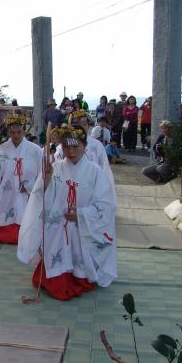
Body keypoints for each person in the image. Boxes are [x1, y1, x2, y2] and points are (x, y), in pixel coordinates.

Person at [17, 124, 117, 301]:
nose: (71, 151)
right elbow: (42, 198)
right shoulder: (55, 168)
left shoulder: (95, 171)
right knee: (55, 236)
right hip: (58, 225)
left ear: (85, 146)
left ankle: (80, 273)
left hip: (83, 226)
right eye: (66, 146)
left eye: (75, 146)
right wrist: (46, 181)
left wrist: (81, 214)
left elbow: (105, 205)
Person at [0, 114, 42, 244]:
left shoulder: (36, 150)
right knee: (7, 207)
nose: (16, 135)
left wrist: (30, 185)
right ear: (8, 132)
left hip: (27, 191)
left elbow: (41, 173)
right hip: (7, 190)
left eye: (19, 132)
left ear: (24, 131)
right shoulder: (2, 149)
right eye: (12, 132)